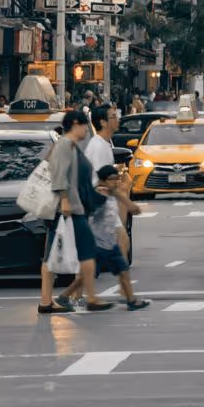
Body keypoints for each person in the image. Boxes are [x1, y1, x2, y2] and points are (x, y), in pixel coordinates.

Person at [38, 109, 112, 314]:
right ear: (75, 125)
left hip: (73, 207)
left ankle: (50, 300)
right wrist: (64, 200)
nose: (87, 130)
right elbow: (59, 175)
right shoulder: (64, 145)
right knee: (83, 251)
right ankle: (88, 298)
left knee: (57, 254)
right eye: (84, 125)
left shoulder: (70, 146)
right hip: (66, 209)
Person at [90, 166, 149, 310]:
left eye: (117, 178)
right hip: (95, 244)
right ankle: (67, 298)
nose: (116, 182)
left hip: (110, 244)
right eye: (112, 179)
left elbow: (134, 211)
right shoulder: (98, 195)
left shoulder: (113, 195)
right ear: (103, 180)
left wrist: (121, 193)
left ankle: (131, 301)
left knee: (123, 270)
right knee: (84, 277)